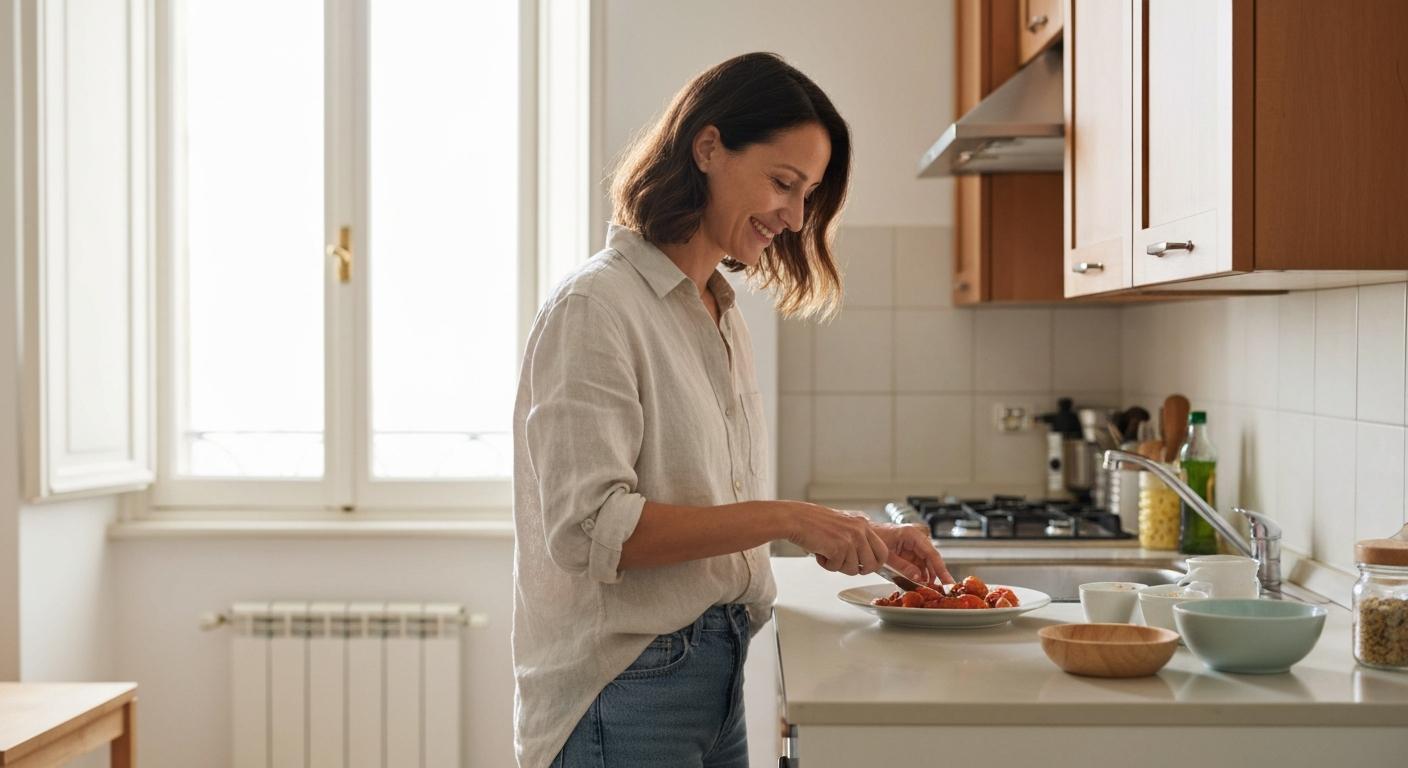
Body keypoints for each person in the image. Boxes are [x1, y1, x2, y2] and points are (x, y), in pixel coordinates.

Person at [511, 51, 952, 768]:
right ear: (708, 146)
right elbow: (592, 531)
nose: (797, 215)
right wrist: (790, 518)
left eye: (807, 194)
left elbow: (706, 506)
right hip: (625, 690)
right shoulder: (597, 307)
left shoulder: (719, 312)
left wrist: (853, 536)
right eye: (784, 183)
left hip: (713, 669)